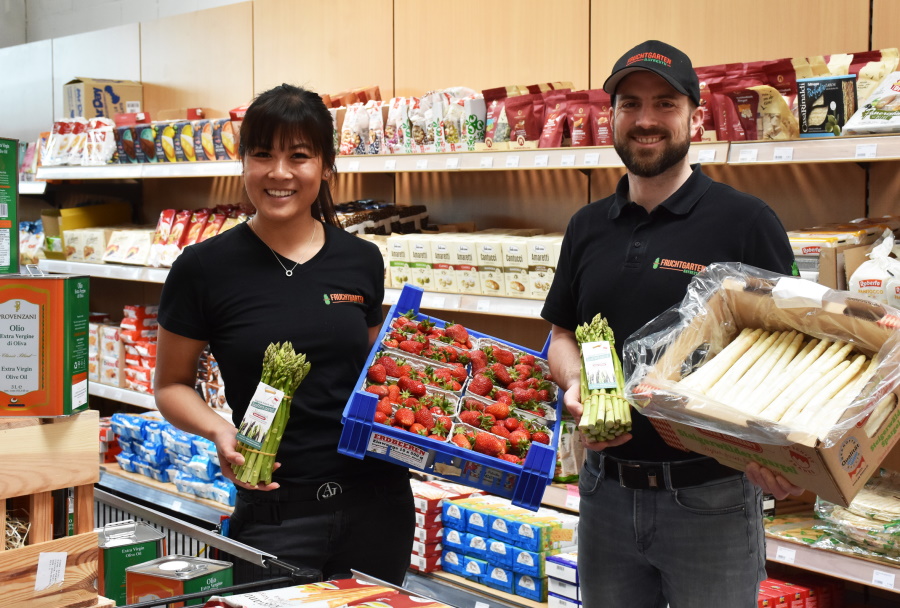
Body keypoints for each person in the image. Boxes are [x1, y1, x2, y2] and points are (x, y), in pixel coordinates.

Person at [541, 41, 805, 608]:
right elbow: (563, 335)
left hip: (709, 498)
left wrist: (784, 453)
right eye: (629, 104)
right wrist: (572, 383)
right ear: (612, 117)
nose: (645, 120)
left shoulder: (746, 221)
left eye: (665, 103)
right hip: (603, 491)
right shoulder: (587, 226)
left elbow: (796, 347)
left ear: (695, 117)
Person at [154, 84, 415, 585]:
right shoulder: (203, 268)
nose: (279, 172)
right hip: (275, 508)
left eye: (299, 156)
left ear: (325, 167)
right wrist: (219, 431)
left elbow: (377, 374)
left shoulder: (361, 259)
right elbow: (170, 385)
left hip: (379, 504)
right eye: (262, 155)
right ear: (244, 164)